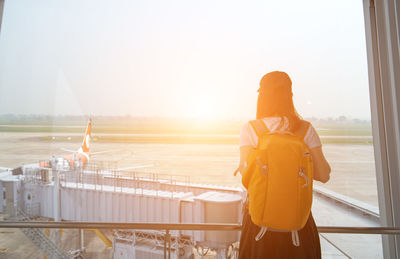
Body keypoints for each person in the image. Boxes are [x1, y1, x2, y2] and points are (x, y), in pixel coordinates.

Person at [234, 71, 331, 259]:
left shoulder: (251, 129)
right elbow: (324, 175)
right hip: (298, 226)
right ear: (290, 96)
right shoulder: (305, 130)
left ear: (261, 97)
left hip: (258, 226)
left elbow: (246, 177)